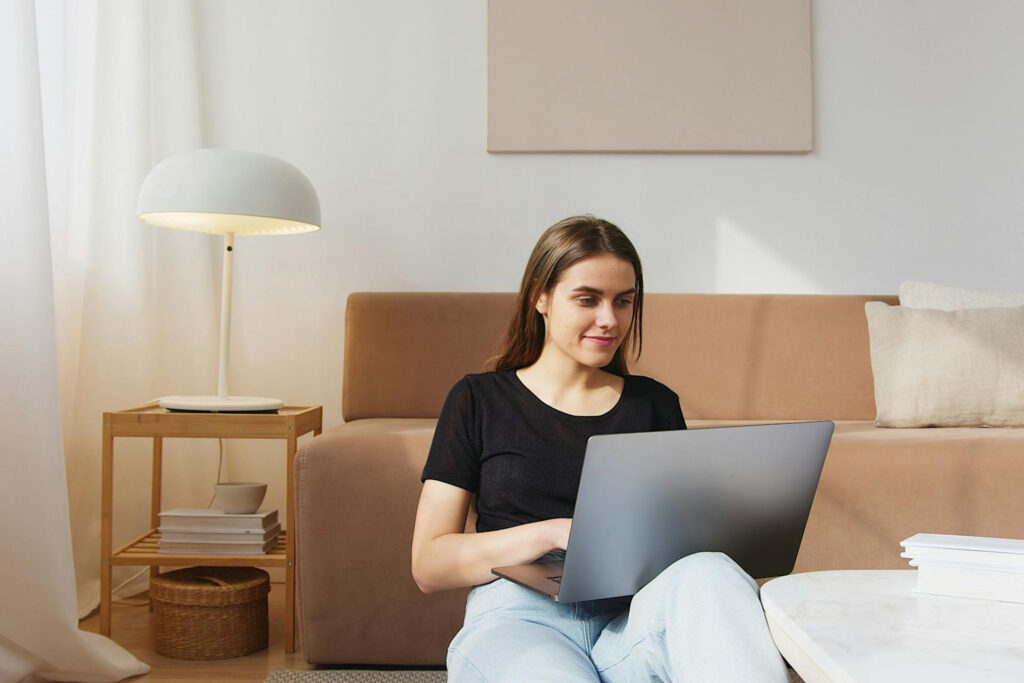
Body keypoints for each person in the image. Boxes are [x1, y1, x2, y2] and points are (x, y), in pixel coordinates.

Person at [411, 215, 788, 682]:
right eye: (588, 299)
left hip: (630, 625)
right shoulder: (478, 400)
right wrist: (555, 533)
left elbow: (681, 548)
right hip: (518, 619)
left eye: (623, 301)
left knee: (709, 570)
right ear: (541, 297)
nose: (610, 320)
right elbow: (430, 564)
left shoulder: (654, 404)